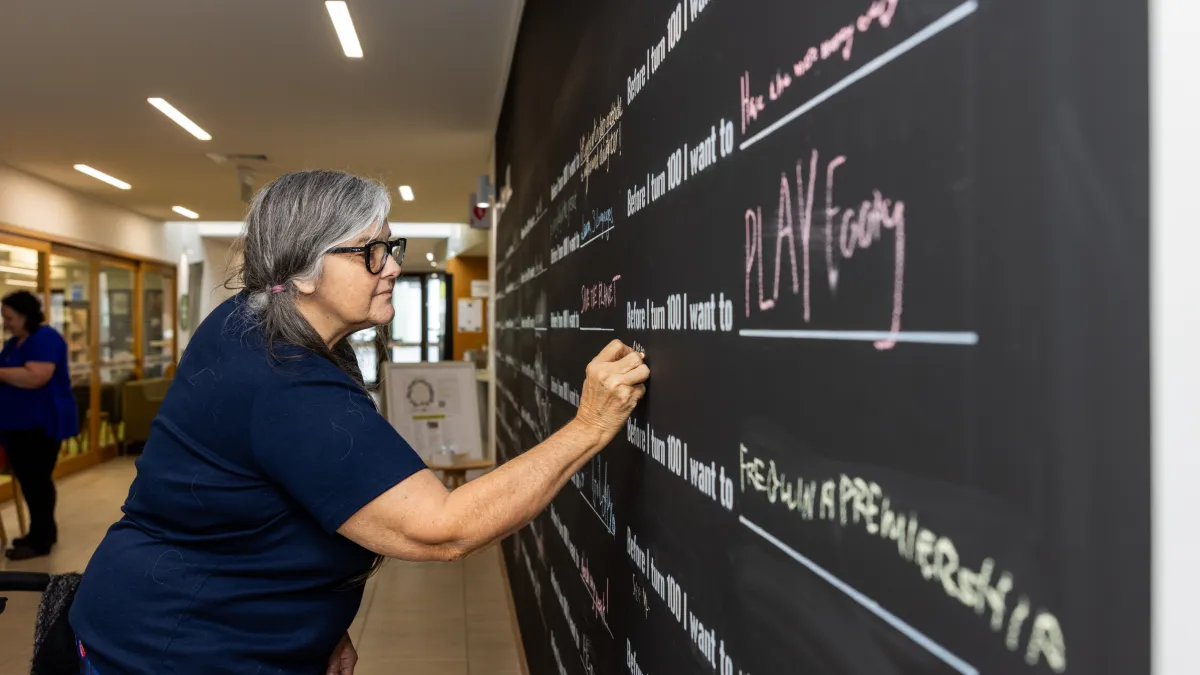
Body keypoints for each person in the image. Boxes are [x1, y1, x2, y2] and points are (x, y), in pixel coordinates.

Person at [68, 170, 649, 674]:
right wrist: (590, 425)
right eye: (369, 251)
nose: (392, 266)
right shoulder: (281, 380)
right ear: (301, 273)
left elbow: (269, 494)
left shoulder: (246, 317)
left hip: (186, 622)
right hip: (179, 648)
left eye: (390, 246)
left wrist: (318, 621)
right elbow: (441, 527)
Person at [0, 290, 79, 560]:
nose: (5, 323)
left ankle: (40, 539)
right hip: (18, 424)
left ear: (25, 315)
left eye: (9, 317)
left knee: (37, 481)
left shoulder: (45, 339)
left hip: (39, 423)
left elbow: (36, 377)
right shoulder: (14, 344)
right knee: (31, 480)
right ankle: (41, 532)